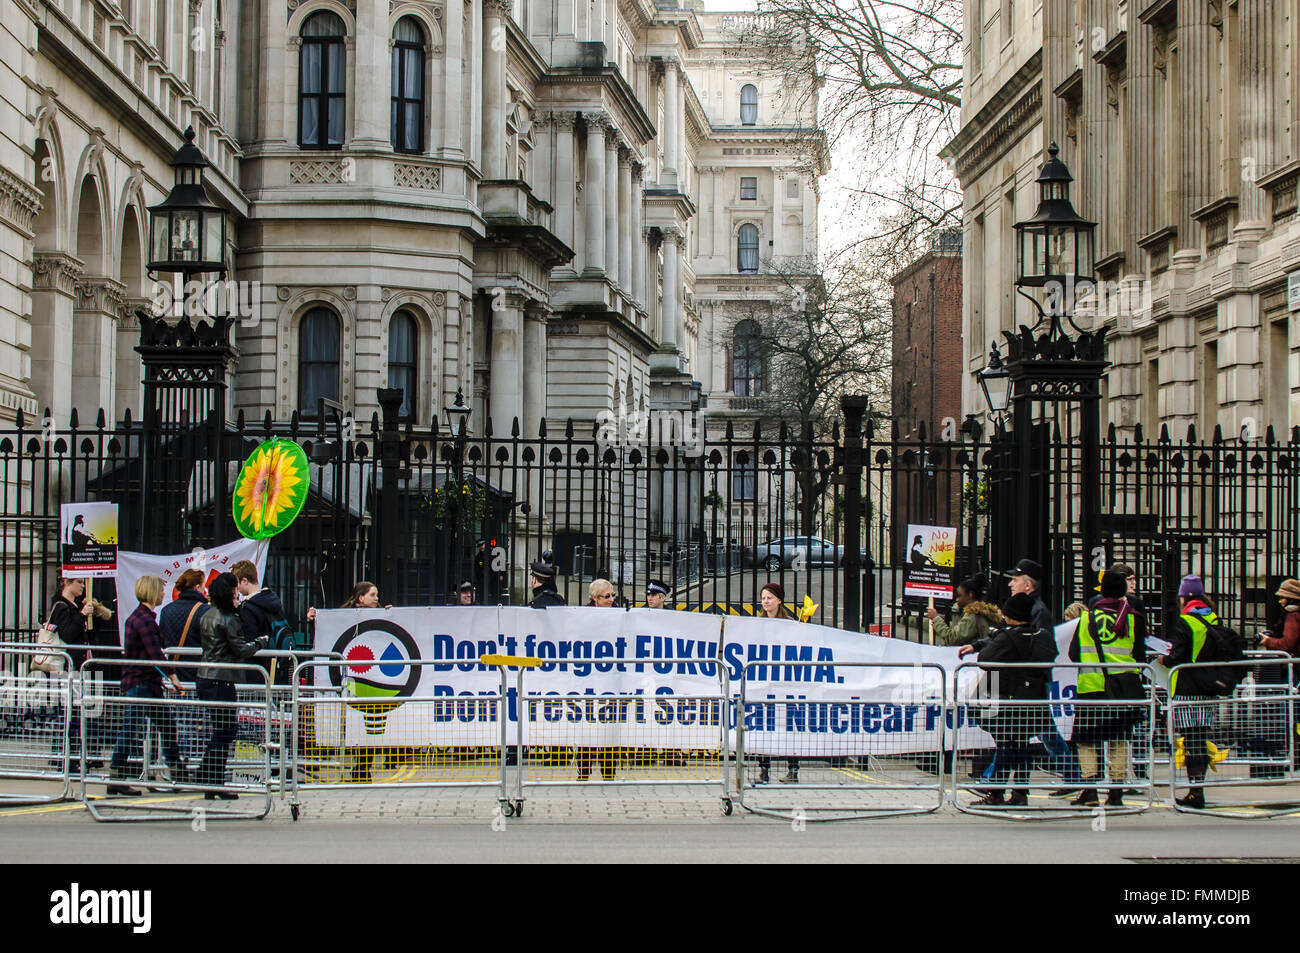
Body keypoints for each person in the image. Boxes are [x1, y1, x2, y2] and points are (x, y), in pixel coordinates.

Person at [957, 592, 1057, 807]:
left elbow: (985, 660)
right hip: (1032, 700)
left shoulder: (1009, 638)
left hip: (1006, 700)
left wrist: (985, 647)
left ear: (1012, 615)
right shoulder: (1042, 636)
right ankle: (1020, 793)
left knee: (1005, 745)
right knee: (1022, 746)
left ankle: (996, 792)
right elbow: (1051, 656)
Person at [1069, 569, 1148, 808]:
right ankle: (1116, 793)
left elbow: (1074, 654)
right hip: (1123, 688)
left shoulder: (1086, 618)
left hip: (1092, 688)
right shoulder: (1133, 617)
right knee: (1119, 739)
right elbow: (1140, 654)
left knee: (1087, 740)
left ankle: (1090, 790)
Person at [108, 576, 185, 796]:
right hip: (141, 682)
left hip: (146, 682)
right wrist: (172, 676)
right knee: (133, 729)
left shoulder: (139, 617)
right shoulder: (144, 620)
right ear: (152, 592)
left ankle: (177, 769)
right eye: (161, 590)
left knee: (165, 725)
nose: (163, 594)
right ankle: (117, 774)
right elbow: (154, 653)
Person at [1158, 574, 1230, 810]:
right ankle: (1198, 789)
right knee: (1200, 739)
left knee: (1191, 741)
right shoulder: (1213, 619)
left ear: (1183, 596)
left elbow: (1176, 657)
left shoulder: (1185, 621)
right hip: (1208, 689)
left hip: (1188, 690)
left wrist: (1163, 657)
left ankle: (1195, 792)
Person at [196, 572, 268, 799]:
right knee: (225, 731)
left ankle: (209, 780)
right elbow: (241, 649)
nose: (237, 592)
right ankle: (212, 780)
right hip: (222, 678)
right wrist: (260, 642)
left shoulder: (207, 615)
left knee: (221, 730)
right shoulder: (229, 618)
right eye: (235, 588)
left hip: (205, 677)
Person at [45, 576, 113, 769]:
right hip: (69, 667)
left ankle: (75, 754)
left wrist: (91, 612)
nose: (83, 587)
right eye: (79, 583)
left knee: (77, 712)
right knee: (68, 713)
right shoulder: (61, 606)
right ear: (67, 583)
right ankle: (64, 756)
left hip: (78, 665)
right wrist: (82, 615)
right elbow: (66, 635)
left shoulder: (74, 605)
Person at [754, 582, 801, 785]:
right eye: (763, 598)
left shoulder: (790, 623)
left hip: (785, 683)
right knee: (764, 727)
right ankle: (764, 770)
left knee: (788, 727)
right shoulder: (756, 624)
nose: (765, 602)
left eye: (769, 598)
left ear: (779, 600)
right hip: (765, 684)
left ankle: (793, 769)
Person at [576, 579, 619, 781]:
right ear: (594, 598)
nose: (611, 599)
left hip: (611, 679)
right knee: (588, 724)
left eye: (613, 595)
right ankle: (583, 771)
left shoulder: (621, 615)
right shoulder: (583, 616)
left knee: (609, 726)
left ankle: (609, 772)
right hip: (589, 679)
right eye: (606, 596)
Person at [231, 560, 288, 682]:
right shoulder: (273, 600)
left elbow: (247, 641)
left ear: (245, 581)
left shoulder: (248, 608)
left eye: (237, 584)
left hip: (255, 669)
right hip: (274, 665)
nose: (237, 589)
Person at [158, 569, 209, 685]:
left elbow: (163, 641)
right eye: (203, 586)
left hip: (174, 676)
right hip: (199, 674)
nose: (204, 589)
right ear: (197, 587)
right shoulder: (205, 611)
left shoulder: (166, 610)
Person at [925, 573, 1001, 646]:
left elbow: (953, 639)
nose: (957, 599)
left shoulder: (972, 616)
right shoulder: (982, 613)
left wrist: (936, 618)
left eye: (959, 596)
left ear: (970, 595)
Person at [1005, 558, 1053, 632]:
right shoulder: (1019, 607)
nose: (1010, 584)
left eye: (1015, 580)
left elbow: (1040, 641)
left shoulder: (1038, 611)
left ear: (1028, 585)